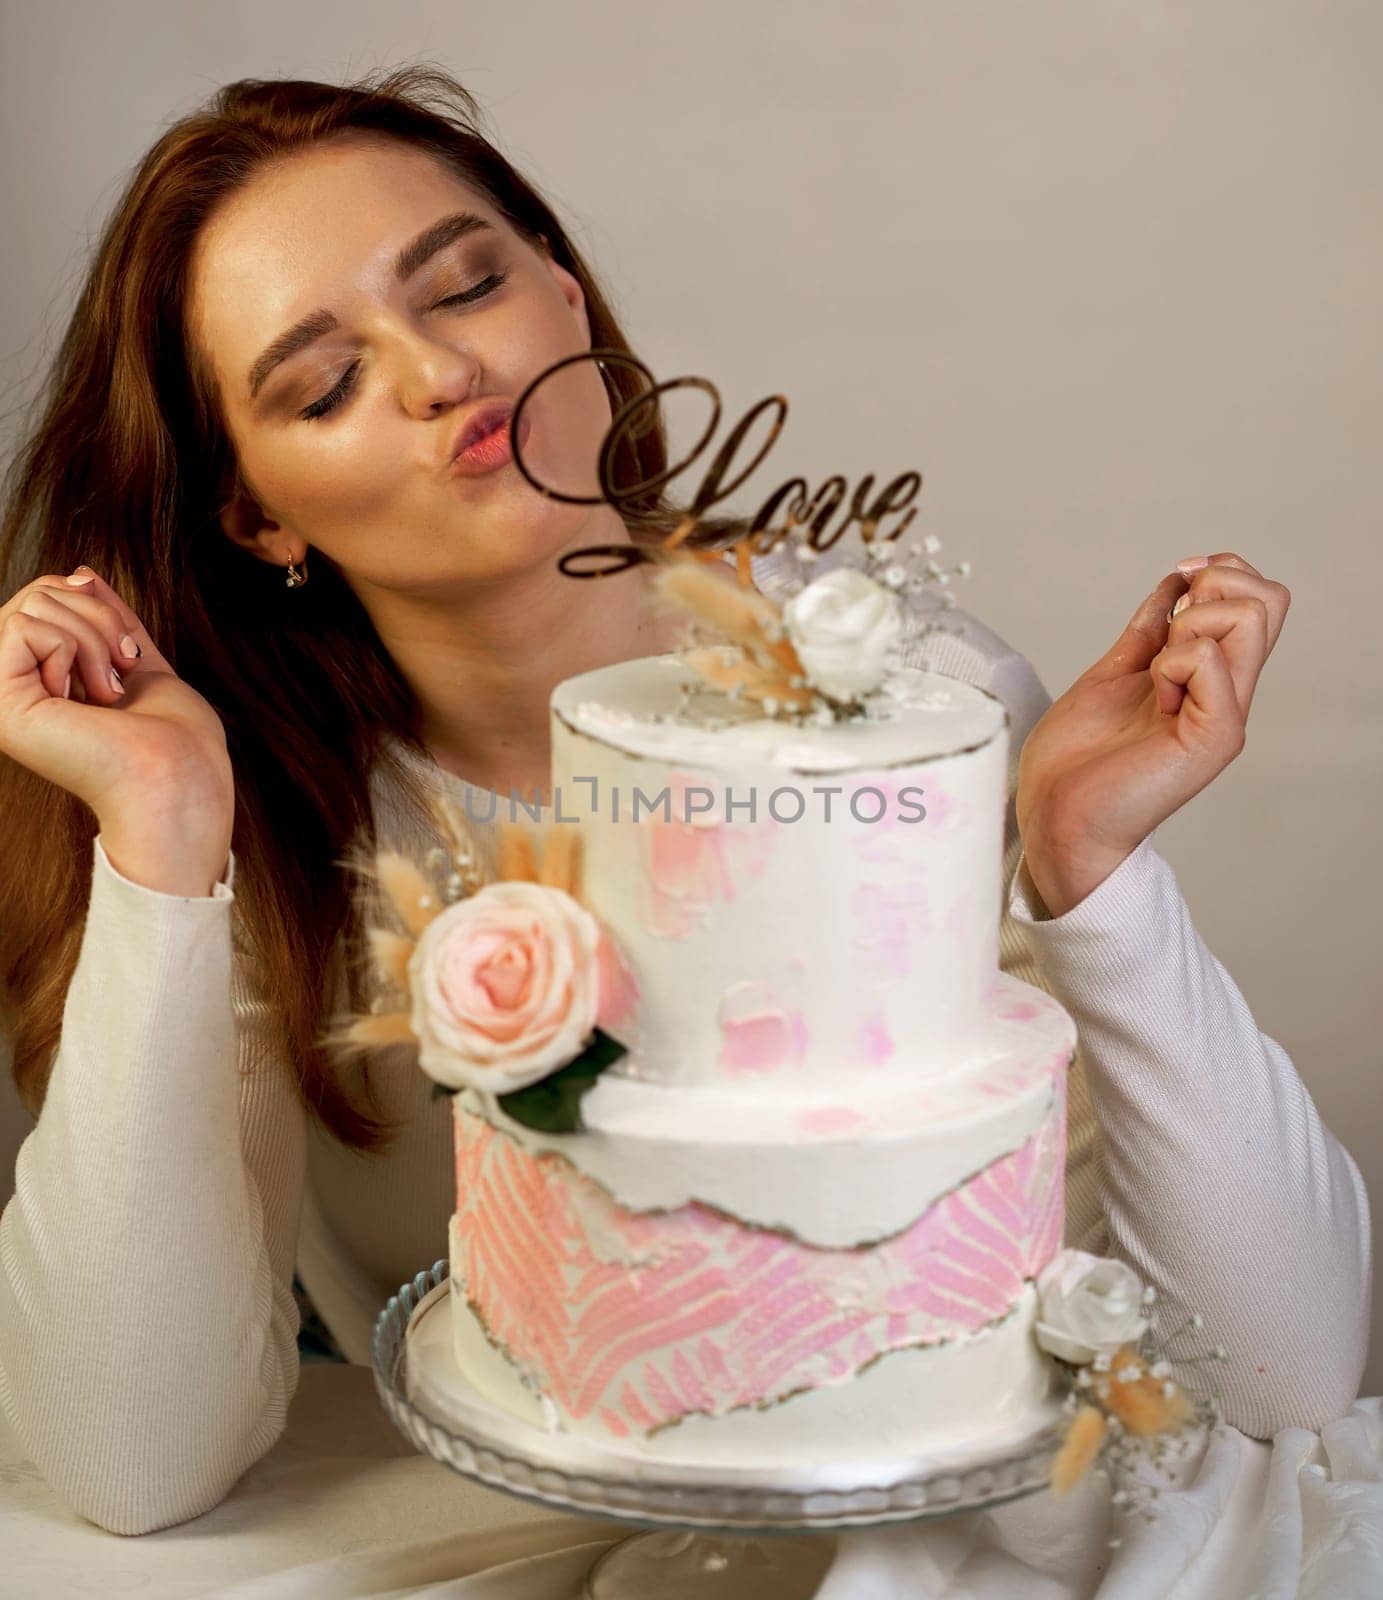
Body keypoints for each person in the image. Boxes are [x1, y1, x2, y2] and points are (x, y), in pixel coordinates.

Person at [0, 66, 1370, 1537]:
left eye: (463, 288)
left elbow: (1290, 1378)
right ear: (261, 510)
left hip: (1011, 1523)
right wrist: (159, 834)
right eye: (325, 383)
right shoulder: (274, 828)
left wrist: (1089, 875)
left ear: (567, 299)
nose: (437, 374)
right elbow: (130, 1471)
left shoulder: (899, 711)